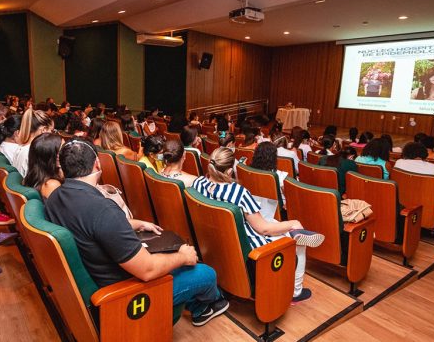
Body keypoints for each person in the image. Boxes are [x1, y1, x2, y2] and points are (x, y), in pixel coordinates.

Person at [45, 139, 229, 326]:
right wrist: (183, 257)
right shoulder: (102, 209)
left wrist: (134, 223)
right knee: (205, 273)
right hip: (125, 293)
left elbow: (89, 226)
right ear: (97, 164)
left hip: (99, 278)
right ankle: (207, 305)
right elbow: (147, 270)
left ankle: (195, 304)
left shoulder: (55, 197)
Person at [192, 147, 324, 302]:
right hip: (250, 246)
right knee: (296, 238)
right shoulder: (238, 192)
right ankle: (296, 292)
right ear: (228, 172)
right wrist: (292, 223)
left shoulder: (199, 183)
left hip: (219, 244)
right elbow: (264, 228)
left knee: (281, 226)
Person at [11, 109, 54, 177]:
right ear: (44, 130)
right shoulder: (32, 152)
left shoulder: (21, 147)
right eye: (51, 131)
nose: (51, 134)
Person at [23, 133, 64, 200]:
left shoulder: (33, 176)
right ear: (54, 157)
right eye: (63, 149)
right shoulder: (51, 185)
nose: (68, 151)